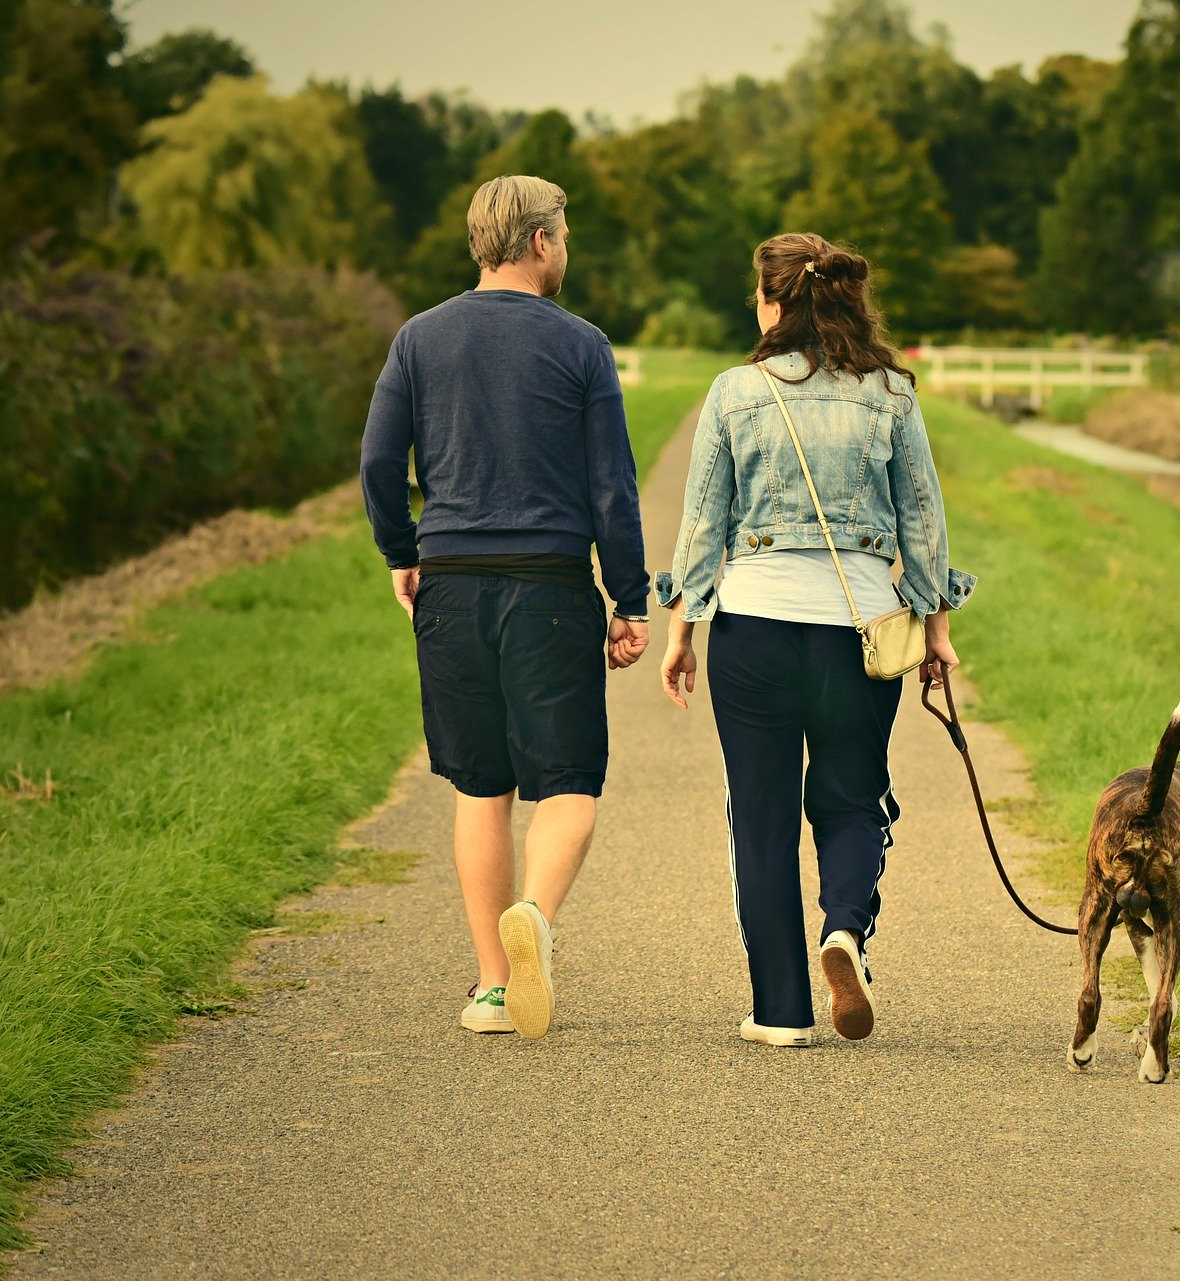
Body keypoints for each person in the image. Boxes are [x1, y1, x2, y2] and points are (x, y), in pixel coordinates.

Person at [656, 232, 976, 1047]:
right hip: (859, 632)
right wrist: (935, 627)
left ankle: (780, 1012)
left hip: (752, 629)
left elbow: (702, 524)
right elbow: (924, 520)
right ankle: (845, 928)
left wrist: (681, 630)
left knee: (760, 817)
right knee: (853, 798)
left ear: (773, 303)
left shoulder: (735, 392)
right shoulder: (892, 394)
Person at [359, 175, 650, 1040]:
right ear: (538, 242)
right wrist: (628, 598)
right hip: (549, 587)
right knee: (568, 783)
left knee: (481, 787)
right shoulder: (582, 345)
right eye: (563, 236)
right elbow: (612, 485)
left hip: (449, 584)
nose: (565, 250)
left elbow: (379, 462)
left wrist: (402, 552)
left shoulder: (418, 339)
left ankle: (492, 985)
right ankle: (535, 913)